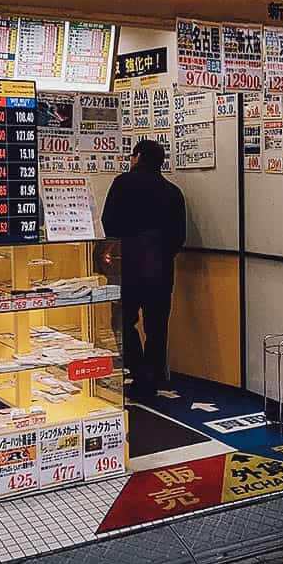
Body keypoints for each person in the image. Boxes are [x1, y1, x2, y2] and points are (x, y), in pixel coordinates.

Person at [101, 140, 186, 401]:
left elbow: (109, 221)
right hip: (161, 268)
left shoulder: (122, 183)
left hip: (128, 265)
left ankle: (138, 372)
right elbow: (179, 237)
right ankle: (150, 379)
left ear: (137, 157)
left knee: (123, 320)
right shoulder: (173, 192)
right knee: (157, 325)